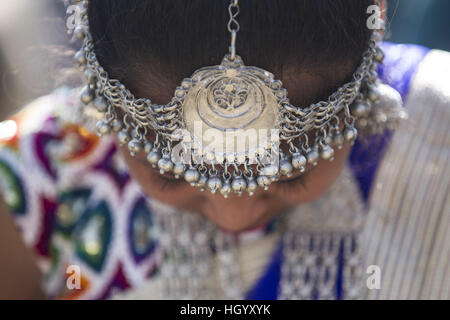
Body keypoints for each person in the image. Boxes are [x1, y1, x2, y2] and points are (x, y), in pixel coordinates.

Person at [0, 0, 448, 300]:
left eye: (291, 170)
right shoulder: (34, 181)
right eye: (172, 173)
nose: (234, 216)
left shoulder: (438, 154)